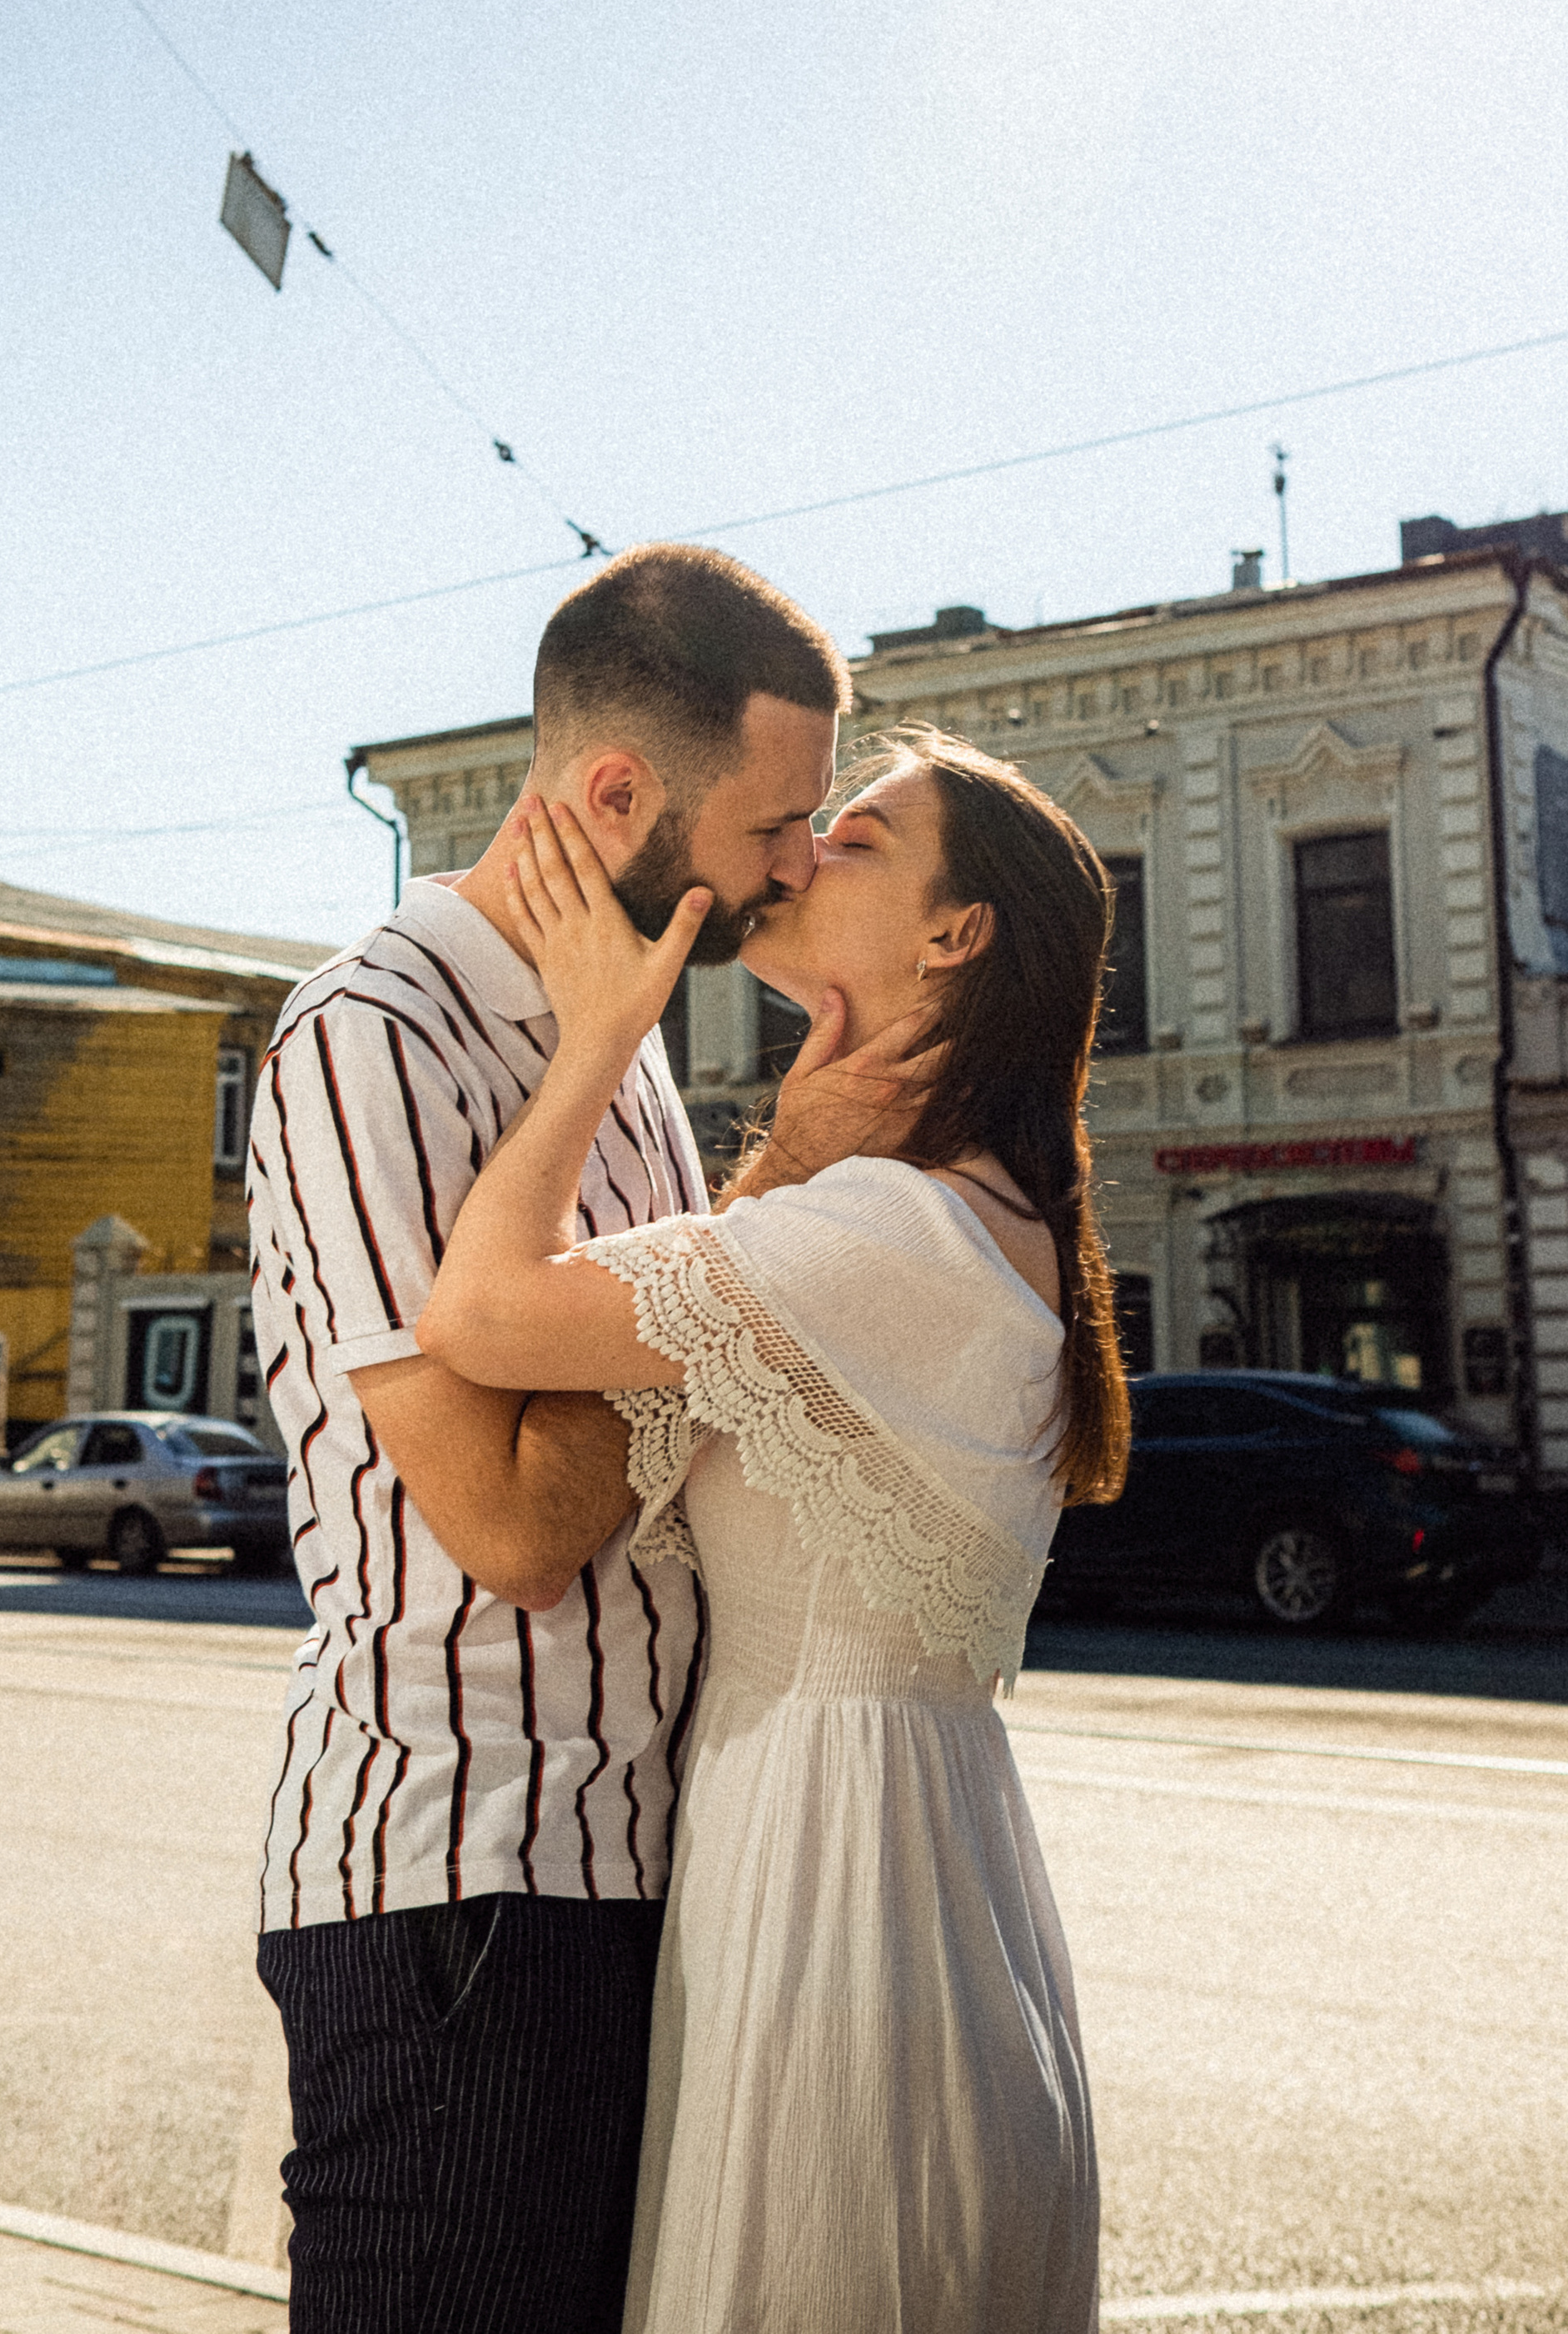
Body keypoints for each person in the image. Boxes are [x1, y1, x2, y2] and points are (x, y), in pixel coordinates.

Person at [417, 721, 1130, 2334]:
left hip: (834, 1888)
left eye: (861, 838)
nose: (804, 853)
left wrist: (600, 1035)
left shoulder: (893, 1225)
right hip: (908, 1870)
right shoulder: (942, 1208)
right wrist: (782, 1167)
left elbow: (480, 1313)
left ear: (957, 937)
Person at [248, 542, 885, 2334]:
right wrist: (745, 1240)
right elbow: (511, 1526)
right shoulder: (371, 1035)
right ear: (616, 791)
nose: (796, 864)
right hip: (461, 1883)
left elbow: (650, 1394)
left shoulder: (624, 1047)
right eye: (774, 821)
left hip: (625, 1869)